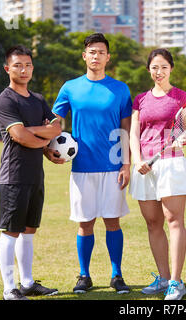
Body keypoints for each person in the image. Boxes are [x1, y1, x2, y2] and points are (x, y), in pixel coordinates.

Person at [48, 33, 132, 294]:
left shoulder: (120, 89)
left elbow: (126, 128)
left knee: (112, 221)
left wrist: (126, 164)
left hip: (112, 167)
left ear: (108, 57)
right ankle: (84, 276)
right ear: (85, 56)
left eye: (101, 52)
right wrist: (47, 149)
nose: (96, 56)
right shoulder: (70, 87)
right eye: (91, 52)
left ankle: (116, 275)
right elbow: (54, 122)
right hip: (82, 167)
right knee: (84, 223)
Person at [0, 45, 62, 300]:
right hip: (14, 176)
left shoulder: (38, 99)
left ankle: (27, 283)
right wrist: (40, 135)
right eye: (17, 65)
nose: (23, 70)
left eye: (28, 65)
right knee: (11, 231)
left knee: (29, 230)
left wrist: (37, 134)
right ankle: (9, 289)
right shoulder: (5, 100)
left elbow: (56, 127)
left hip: (35, 175)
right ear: (7, 69)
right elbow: (19, 136)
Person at [129, 48, 186, 300]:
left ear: (171, 69)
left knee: (173, 220)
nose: (159, 72)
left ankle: (177, 283)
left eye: (164, 67)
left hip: (172, 165)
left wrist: (182, 140)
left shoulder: (181, 96)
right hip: (145, 167)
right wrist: (137, 160)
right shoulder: (140, 99)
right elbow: (134, 132)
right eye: (155, 67)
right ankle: (164, 278)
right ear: (149, 70)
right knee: (153, 223)